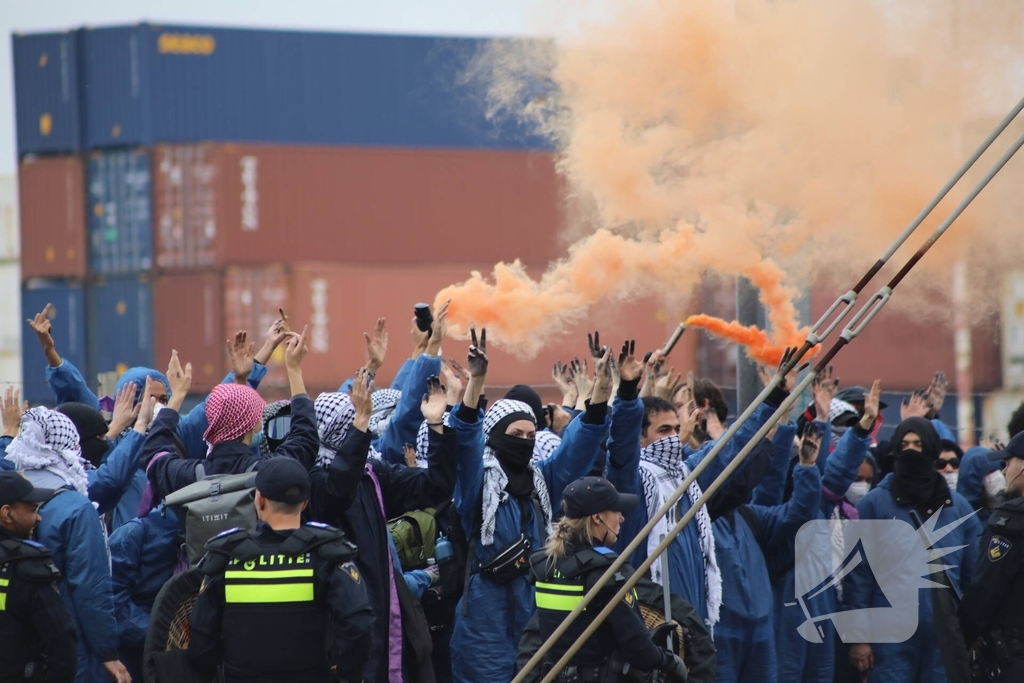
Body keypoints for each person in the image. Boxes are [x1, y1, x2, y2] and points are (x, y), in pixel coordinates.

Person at [448, 331, 612, 683]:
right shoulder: (477, 484)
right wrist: (476, 381)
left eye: (530, 436)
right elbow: (464, 441)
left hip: (536, 607)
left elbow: (578, 449)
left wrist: (601, 390)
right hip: (484, 614)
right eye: (515, 435)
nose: (524, 443)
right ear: (494, 436)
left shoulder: (542, 482)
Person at [608, 349, 795, 630]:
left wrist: (774, 398)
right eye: (663, 431)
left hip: (691, 618)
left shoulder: (686, 476)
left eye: (675, 429)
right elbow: (620, 447)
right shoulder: (632, 482)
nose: (672, 438)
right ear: (641, 439)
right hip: (647, 621)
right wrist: (625, 391)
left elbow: (732, 446)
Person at [308, 369, 459, 683]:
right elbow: (339, 489)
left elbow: (435, 487)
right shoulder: (315, 482)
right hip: (342, 619)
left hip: (382, 610)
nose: (357, 430)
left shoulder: (372, 472)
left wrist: (435, 425)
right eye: (349, 424)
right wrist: (361, 425)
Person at [188, 457, 374, 683]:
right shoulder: (326, 555)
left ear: (260, 499)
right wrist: (347, 673)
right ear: (304, 504)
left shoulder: (226, 557)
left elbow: (201, 636)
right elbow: (359, 622)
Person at [846, 416, 981, 683]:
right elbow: (857, 576)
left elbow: (974, 578)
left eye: (918, 444)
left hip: (943, 638)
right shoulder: (873, 505)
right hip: (890, 635)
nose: (911, 451)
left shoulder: (959, 508)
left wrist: (972, 632)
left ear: (930, 448)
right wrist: (859, 637)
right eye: (905, 444)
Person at [3, 407, 132, 683]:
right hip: (71, 646)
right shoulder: (77, 509)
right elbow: (91, 588)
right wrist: (107, 652)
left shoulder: (8, 494)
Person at [522, 476, 688, 682]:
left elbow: (536, 637)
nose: (622, 519)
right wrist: (669, 662)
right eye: (616, 511)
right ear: (597, 518)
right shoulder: (607, 573)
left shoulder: (545, 565)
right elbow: (637, 648)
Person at [145, 329, 317, 504]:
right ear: (254, 425)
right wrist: (294, 369)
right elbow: (305, 440)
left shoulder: (188, 476)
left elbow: (154, 455)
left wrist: (176, 397)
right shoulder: (269, 474)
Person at [0, 470, 78, 682]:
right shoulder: (27, 565)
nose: (39, 517)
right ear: (7, 514)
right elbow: (62, 639)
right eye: (32, 509)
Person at [959, 432, 1024, 681]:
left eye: (1008, 463)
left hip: (1013, 654)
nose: (1004, 471)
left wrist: (964, 634)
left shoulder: (1010, 521)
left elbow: (986, 590)